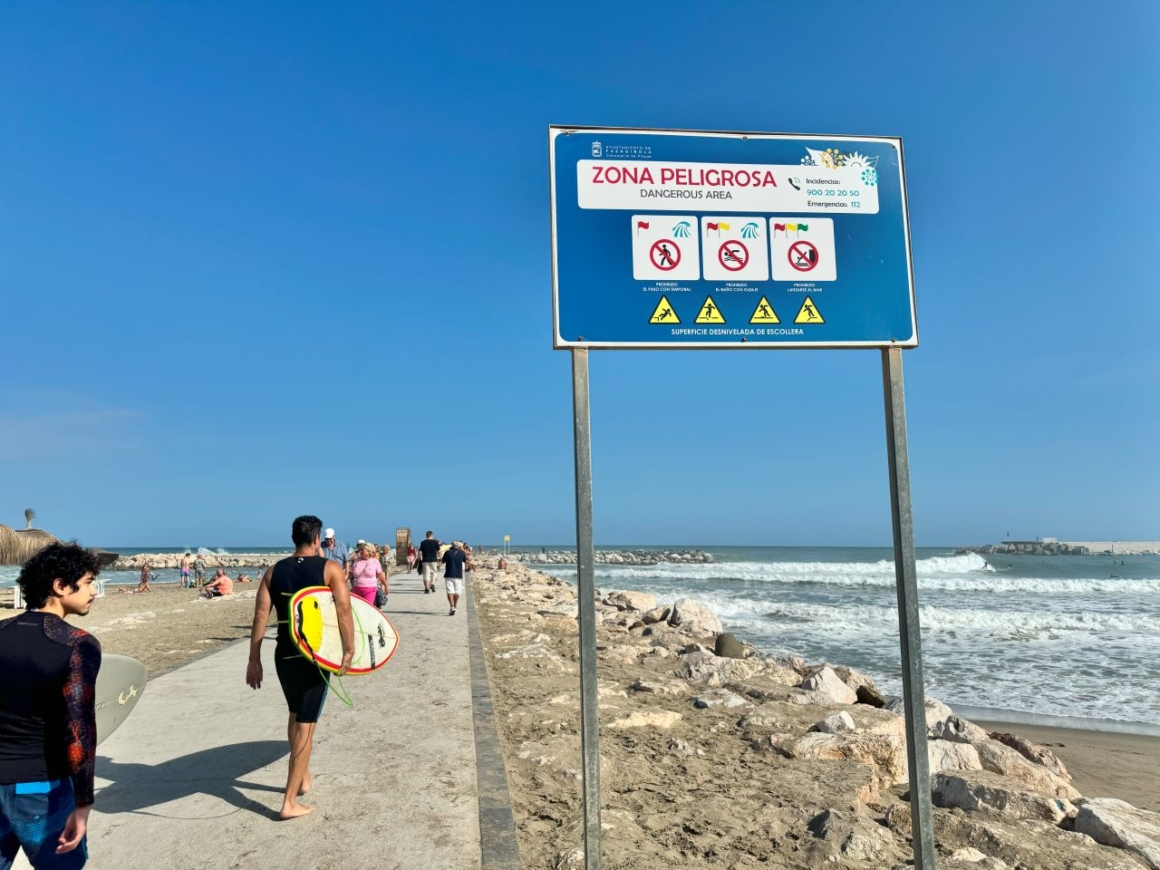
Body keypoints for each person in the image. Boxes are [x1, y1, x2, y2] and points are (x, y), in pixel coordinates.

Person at [0, 543, 102, 868]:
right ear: (60, 586)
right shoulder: (77, 644)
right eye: (87, 582)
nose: (94, 591)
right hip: (42, 790)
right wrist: (83, 803)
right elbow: (80, 730)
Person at [246, 515, 353, 820]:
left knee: (295, 714)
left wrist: (254, 660)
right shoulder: (330, 568)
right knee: (306, 726)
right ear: (317, 539)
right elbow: (344, 608)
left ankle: (302, 777)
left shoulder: (273, 571)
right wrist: (349, 648)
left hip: (284, 656)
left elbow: (259, 617)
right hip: (315, 658)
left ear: (294, 538)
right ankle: (289, 802)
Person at [441, 541, 472, 616]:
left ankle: (452, 606)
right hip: (458, 575)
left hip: (449, 574)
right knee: (457, 592)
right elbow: (466, 561)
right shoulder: (462, 553)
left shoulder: (447, 552)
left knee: (450, 591)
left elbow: (442, 561)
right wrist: (471, 566)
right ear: (459, 546)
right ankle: (454, 606)